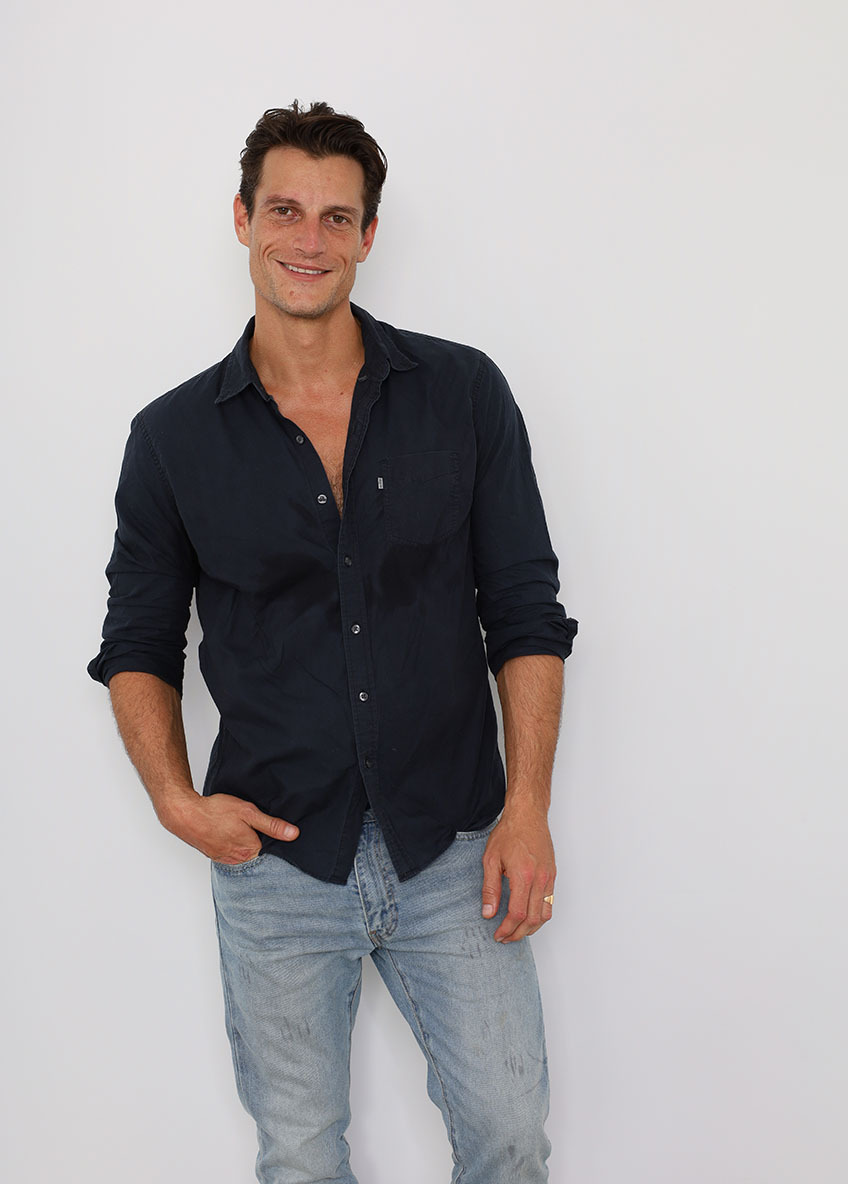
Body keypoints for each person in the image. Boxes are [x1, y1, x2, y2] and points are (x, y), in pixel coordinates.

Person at [88, 100, 578, 1184]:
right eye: (284, 210)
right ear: (242, 219)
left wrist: (527, 807)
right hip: (275, 860)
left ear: (367, 235)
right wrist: (174, 798)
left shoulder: (462, 393)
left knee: (508, 1136)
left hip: (456, 843)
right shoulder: (170, 438)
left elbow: (525, 607)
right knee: (302, 1159)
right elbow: (137, 640)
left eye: (335, 217)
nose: (308, 239)